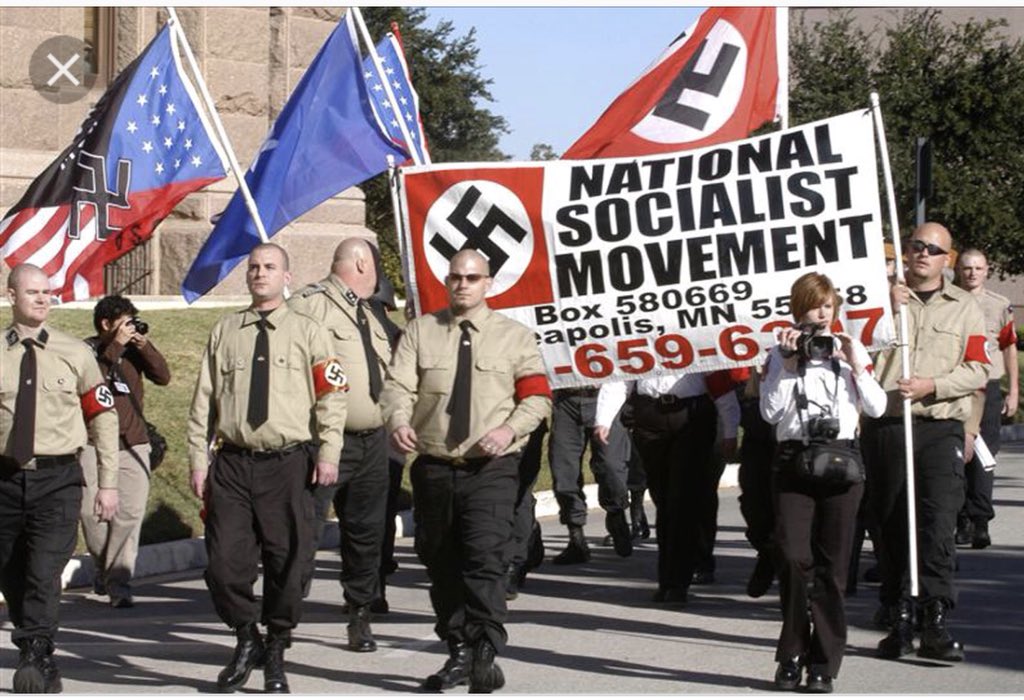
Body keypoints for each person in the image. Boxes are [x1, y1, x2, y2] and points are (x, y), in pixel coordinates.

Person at [381, 249, 551, 693]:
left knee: (485, 559)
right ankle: (458, 650)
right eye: (456, 277)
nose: (462, 284)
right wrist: (398, 420)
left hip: (492, 468)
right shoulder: (421, 332)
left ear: (487, 283)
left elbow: (537, 397)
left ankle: (485, 650)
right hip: (435, 467)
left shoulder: (515, 337)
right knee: (441, 563)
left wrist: (509, 429)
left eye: (472, 278)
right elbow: (397, 386)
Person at [187, 243, 348, 693]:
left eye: (270, 267)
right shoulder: (226, 331)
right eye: (254, 267)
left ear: (286, 276)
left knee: (288, 563)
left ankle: (276, 647)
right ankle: (246, 636)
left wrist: (329, 453)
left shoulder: (310, 331)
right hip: (233, 463)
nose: (260, 273)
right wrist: (198, 460)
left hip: (288, 464)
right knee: (223, 563)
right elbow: (203, 402)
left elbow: (333, 397)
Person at [862, 222, 989, 663]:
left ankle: (935, 617)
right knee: (890, 521)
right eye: (916, 245)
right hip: (888, 425)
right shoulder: (879, 301)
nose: (922, 253)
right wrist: (881, 311)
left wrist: (932, 385)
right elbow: (854, 353)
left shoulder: (965, 308)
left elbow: (978, 368)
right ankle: (898, 614)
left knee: (937, 522)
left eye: (933, 249)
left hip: (938, 425)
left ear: (947, 260)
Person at [760, 272, 887, 693]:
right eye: (814, 305)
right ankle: (792, 651)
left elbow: (877, 406)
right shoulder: (780, 353)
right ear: (799, 309)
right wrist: (788, 365)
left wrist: (857, 365)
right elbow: (770, 413)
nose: (821, 313)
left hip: (841, 461)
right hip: (793, 461)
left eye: (828, 306)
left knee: (833, 568)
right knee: (793, 557)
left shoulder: (849, 350)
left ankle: (824, 663)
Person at [1, 263, 119, 693]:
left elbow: (104, 417)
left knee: (44, 570)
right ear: (12, 296)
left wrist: (108, 482)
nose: (42, 299)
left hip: (59, 479)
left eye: (46, 292)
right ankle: (38, 649)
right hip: (6, 480)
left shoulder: (75, 353)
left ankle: (34, 652)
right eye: (32, 292)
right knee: (12, 573)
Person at [289, 238, 392, 651]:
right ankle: (283, 617)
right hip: (324, 441)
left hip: (372, 442)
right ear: (362, 263)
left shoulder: (368, 312)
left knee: (366, 533)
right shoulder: (310, 305)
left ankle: (359, 612)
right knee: (304, 530)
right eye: (377, 265)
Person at [594, 370, 739, 606]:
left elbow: (718, 378)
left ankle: (677, 583)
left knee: (682, 500)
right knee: (663, 501)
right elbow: (621, 377)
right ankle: (667, 578)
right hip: (650, 417)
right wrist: (603, 418)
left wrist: (731, 429)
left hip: (691, 416)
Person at [80, 295, 171, 609]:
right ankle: (105, 570)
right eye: (124, 323)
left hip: (133, 444)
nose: (131, 329)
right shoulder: (87, 351)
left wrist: (144, 346)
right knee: (91, 516)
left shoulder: (135, 351)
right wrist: (116, 347)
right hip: (93, 444)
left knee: (128, 516)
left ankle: (118, 583)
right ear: (106, 324)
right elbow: (94, 380)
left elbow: (163, 376)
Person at [954, 248, 1019, 548]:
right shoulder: (948, 301)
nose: (972, 273)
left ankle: (980, 519)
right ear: (958, 269)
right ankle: (961, 519)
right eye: (967, 268)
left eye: (978, 268)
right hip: (955, 387)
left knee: (984, 456)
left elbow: (1008, 348)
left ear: (987, 271)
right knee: (955, 454)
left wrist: (1013, 390)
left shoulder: (999, 305)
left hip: (987, 386)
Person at [548, 386, 632, 564]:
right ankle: (576, 537)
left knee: (611, 466)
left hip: (605, 395)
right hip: (566, 399)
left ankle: (616, 513)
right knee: (564, 470)